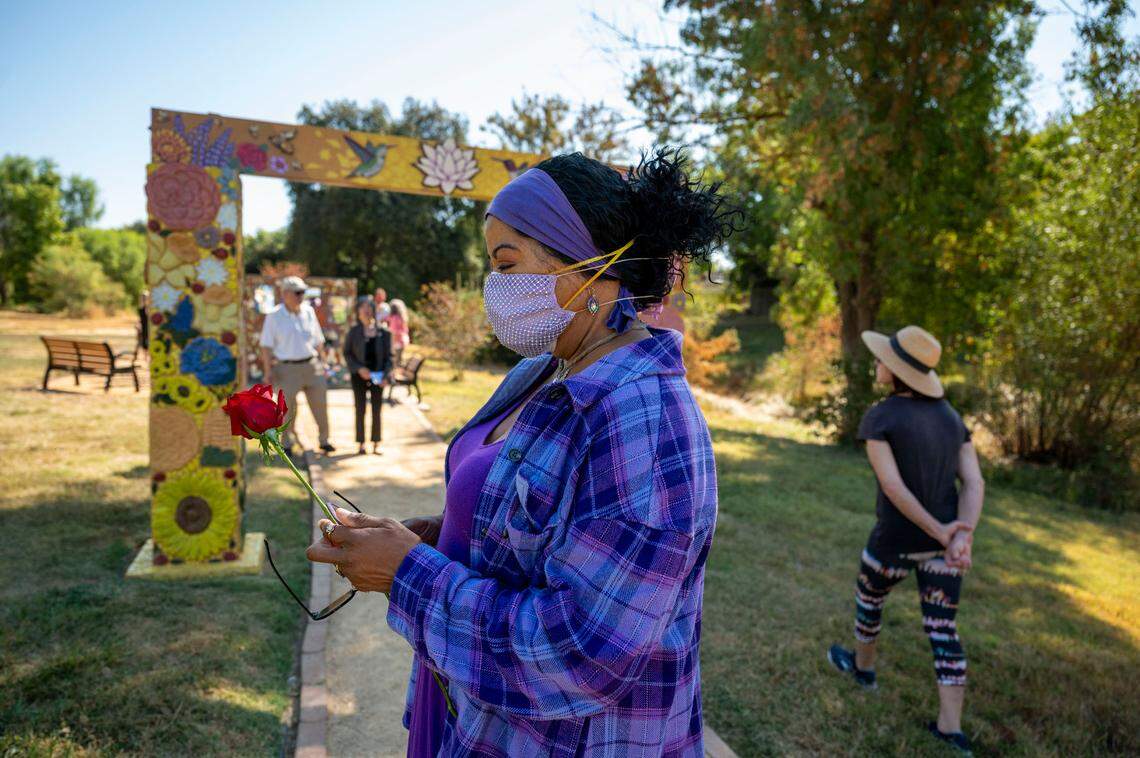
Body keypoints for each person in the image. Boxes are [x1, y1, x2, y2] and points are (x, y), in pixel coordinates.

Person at [306, 149, 739, 757]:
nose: (495, 288)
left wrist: (407, 573)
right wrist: (440, 535)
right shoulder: (544, 370)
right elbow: (519, 522)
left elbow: (584, 655)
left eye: (507, 265)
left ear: (591, 266)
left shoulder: (646, 419)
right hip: (472, 709)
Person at [826, 325, 984, 755]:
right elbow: (973, 483)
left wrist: (949, 534)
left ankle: (863, 670)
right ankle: (951, 729)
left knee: (869, 602)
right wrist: (959, 536)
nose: (877, 364)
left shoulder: (881, 416)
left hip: (894, 541)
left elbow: (894, 489)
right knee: (943, 629)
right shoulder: (953, 418)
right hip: (944, 548)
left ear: (895, 372)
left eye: (883, 360)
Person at [258, 276, 335, 455]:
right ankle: (286, 444)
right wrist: (268, 372)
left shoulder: (308, 312)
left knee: (320, 405)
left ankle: (325, 440)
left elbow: (318, 341)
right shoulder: (274, 316)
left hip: (311, 365)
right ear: (285, 294)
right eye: (298, 292)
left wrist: (323, 364)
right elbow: (266, 346)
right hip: (286, 369)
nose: (301, 296)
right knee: (287, 410)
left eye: (303, 292)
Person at [344, 297, 391, 455]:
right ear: (358, 311)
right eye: (363, 307)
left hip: (378, 376)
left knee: (377, 409)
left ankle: (376, 443)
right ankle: (361, 443)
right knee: (360, 409)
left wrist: (386, 376)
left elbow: (390, 357)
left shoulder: (383, 332)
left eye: (369, 306)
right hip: (359, 376)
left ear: (374, 310)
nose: (366, 309)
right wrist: (358, 368)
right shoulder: (353, 331)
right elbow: (347, 354)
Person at [387, 298, 411, 366]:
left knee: (395, 360)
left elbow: (394, 331)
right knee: (398, 359)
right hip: (402, 340)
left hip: (397, 341)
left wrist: (392, 342)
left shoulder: (395, 317)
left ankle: (396, 373)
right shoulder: (401, 317)